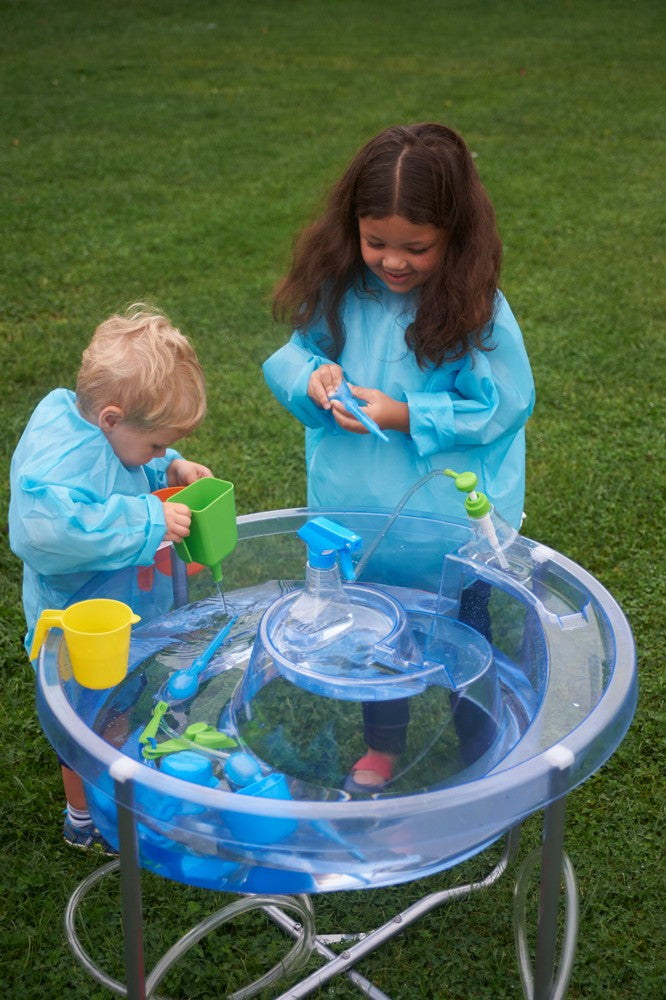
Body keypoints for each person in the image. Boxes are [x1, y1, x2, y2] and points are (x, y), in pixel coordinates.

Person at [263, 123, 535, 791]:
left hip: (449, 526)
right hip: (360, 516)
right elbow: (295, 357)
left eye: (417, 248)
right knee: (375, 635)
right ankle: (382, 744)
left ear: (455, 237)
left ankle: (479, 731)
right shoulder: (339, 288)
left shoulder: (478, 310)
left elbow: (503, 402)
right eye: (375, 241)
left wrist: (408, 413)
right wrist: (314, 381)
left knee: (470, 637)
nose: (392, 261)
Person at [9, 305, 213, 850]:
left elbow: (126, 463)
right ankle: (84, 816)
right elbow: (50, 532)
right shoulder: (54, 473)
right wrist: (149, 518)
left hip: (117, 612)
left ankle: (122, 780)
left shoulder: (112, 431)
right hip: (79, 625)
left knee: (119, 710)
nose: (161, 453)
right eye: (158, 446)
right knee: (83, 723)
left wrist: (167, 470)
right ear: (112, 419)